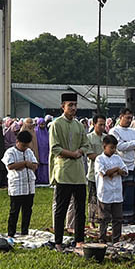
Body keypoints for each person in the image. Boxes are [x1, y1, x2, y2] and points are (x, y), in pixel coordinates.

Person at [49, 93, 91, 248]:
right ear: (63, 106)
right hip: (64, 171)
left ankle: (79, 240)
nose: (73, 108)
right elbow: (55, 148)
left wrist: (79, 151)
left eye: (75, 105)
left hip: (79, 172)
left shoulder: (79, 125)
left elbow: (86, 144)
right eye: (70, 105)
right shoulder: (56, 124)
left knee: (80, 209)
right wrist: (72, 154)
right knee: (61, 208)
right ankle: (58, 241)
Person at [3, 130, 38, 238]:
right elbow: (10, 166)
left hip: (29, 185)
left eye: (27, 145)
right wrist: (25, 163)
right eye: (23, 145)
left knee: (27, 210)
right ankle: (11, 233)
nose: (25, 148)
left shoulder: (29, 152)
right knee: (14, 211)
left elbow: (35, 165)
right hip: (17, 185)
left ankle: (24, 231)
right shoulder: (10, 152)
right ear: (17, 141)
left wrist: (25, 165)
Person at [110, 109, 135, 223]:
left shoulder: (133, 131)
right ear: (121, 117)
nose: (129, 120)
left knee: (134, 192)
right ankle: (124, 217)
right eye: (127, 118)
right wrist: (132, 143)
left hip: (133, 164)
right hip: (122, 165)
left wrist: (130, 144)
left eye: (131, 118)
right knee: (124, 193)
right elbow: (119, 146)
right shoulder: (114, 131)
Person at [95, 134, 127, 243]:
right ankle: (102, 238)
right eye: (111, 148)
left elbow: (125, 171)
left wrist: (115, 171)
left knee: (118, 218)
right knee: (104, 218)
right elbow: (103, 173)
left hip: (117, 193)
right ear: (104, 146)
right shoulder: (99, 159)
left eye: (115, 148)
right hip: (105, 192)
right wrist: (116, 169)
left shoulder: (117, 158)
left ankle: (116, 239)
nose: (113, 150)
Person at [34, 118, 51, 185]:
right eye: (41, 124)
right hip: (39, 150)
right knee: (40, 165)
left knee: (46, 165)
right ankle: (39, 179)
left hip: (46, 150)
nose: (42, 125)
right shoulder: (35, 132)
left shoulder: (46, 132)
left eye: (43, 124)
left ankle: (46, 179)